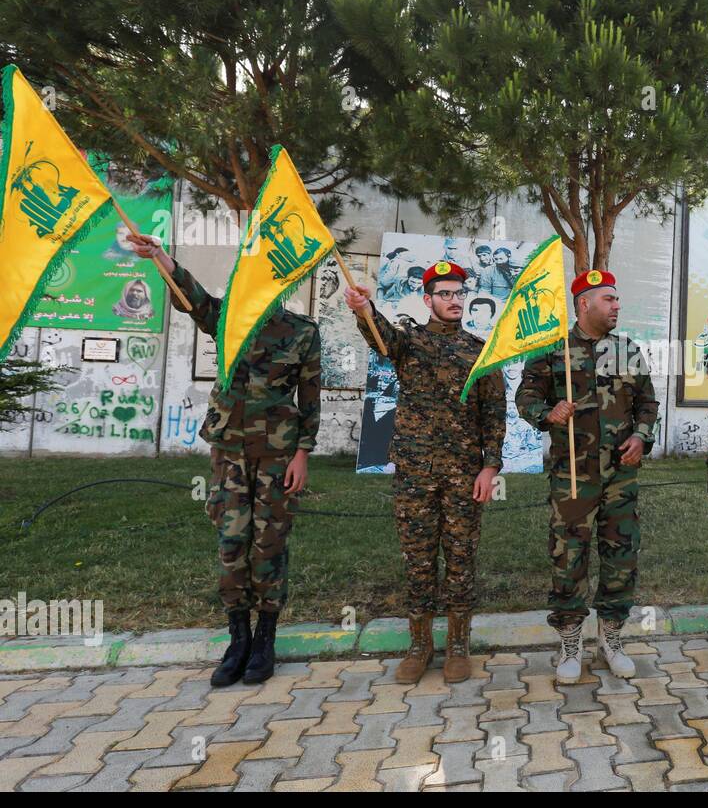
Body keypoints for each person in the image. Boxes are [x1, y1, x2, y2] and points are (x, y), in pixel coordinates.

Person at [126, 232, 319, 687]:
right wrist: (160, 257)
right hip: (229, 451)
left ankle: (266, 638)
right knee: (232, 541)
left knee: (269, 543)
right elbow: (192, 299)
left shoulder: (303, 331)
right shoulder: (229, 319)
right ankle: (238, 638)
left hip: (278, 454)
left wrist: (303, 454)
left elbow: (310, 398)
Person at [344, 261, 506, 683]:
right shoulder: (408, 343)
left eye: (459, 294)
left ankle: (457, 645)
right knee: (417, 560)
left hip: (462, 474)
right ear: (428, 299)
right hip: (415, 473)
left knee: (459, 558)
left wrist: (490, 467)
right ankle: (419, 645)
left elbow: (494, 415)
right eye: (446, 294)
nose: (454, 301)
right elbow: (380, 337)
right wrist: (363, 308)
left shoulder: (480, 351)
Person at [516, 270, 659, 684]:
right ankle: (570, 641)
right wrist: (548, 413)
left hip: (620, 476)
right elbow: (525, 397)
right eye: (608, 299)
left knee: (620, 557)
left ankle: (610, 640)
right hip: (572, 475)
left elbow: (648, 402)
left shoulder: (628, 351)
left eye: (617, 300)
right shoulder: (552, 351)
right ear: (584, 303)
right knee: (568, 557)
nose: (617, 306)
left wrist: (640, 436)